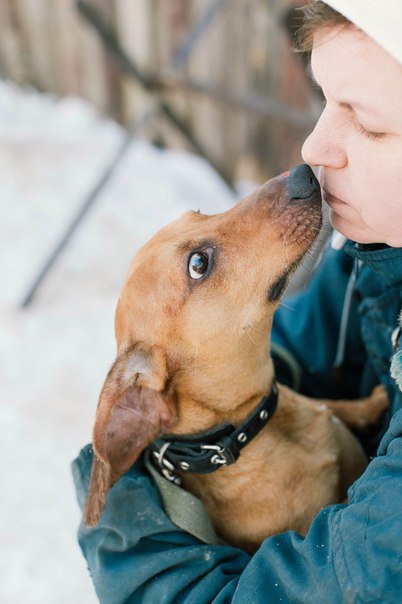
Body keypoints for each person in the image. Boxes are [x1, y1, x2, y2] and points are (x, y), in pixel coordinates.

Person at [72, 1, 402, 602]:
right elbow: (309, 338)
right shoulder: (375, 257)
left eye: (371, 124)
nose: (307, 155)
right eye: (325, 101)